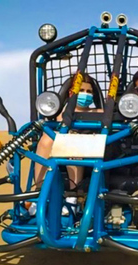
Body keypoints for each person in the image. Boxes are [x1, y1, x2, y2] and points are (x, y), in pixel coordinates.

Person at [33, 73, 102, 214]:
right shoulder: (60, 112)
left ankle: (72, 196)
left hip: (88, 149)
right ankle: (39, 193)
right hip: (59, 148)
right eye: (81, 91)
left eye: (89, 92)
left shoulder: (99, 112)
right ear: (71, 92)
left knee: (72, 142)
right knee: (47, 140)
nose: (85, 95)